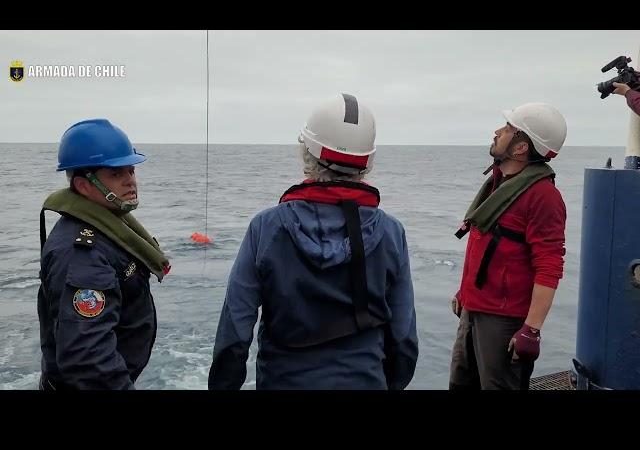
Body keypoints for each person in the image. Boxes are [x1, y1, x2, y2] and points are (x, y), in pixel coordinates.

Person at [208, 93, 418, 390]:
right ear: (367, 163)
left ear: (308, 152)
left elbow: (235, 329)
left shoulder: (266, 228)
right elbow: (404, 336)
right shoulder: (391, 232)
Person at [37, 119, 171, 390]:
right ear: (84, 186)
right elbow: (88, 360)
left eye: (131, 171)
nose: (130, 181)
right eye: (116, 174)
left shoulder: (107, 227)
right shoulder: (82, 254)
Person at [449, 103, 567, 390]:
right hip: (474, 309)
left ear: (520, 147)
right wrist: (465, 292)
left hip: (503, 321)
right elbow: (490, 246)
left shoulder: (542, 196)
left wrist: (532, 330)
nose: (497, 132)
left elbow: (549, 265)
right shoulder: (501, 183)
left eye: (507, 129)